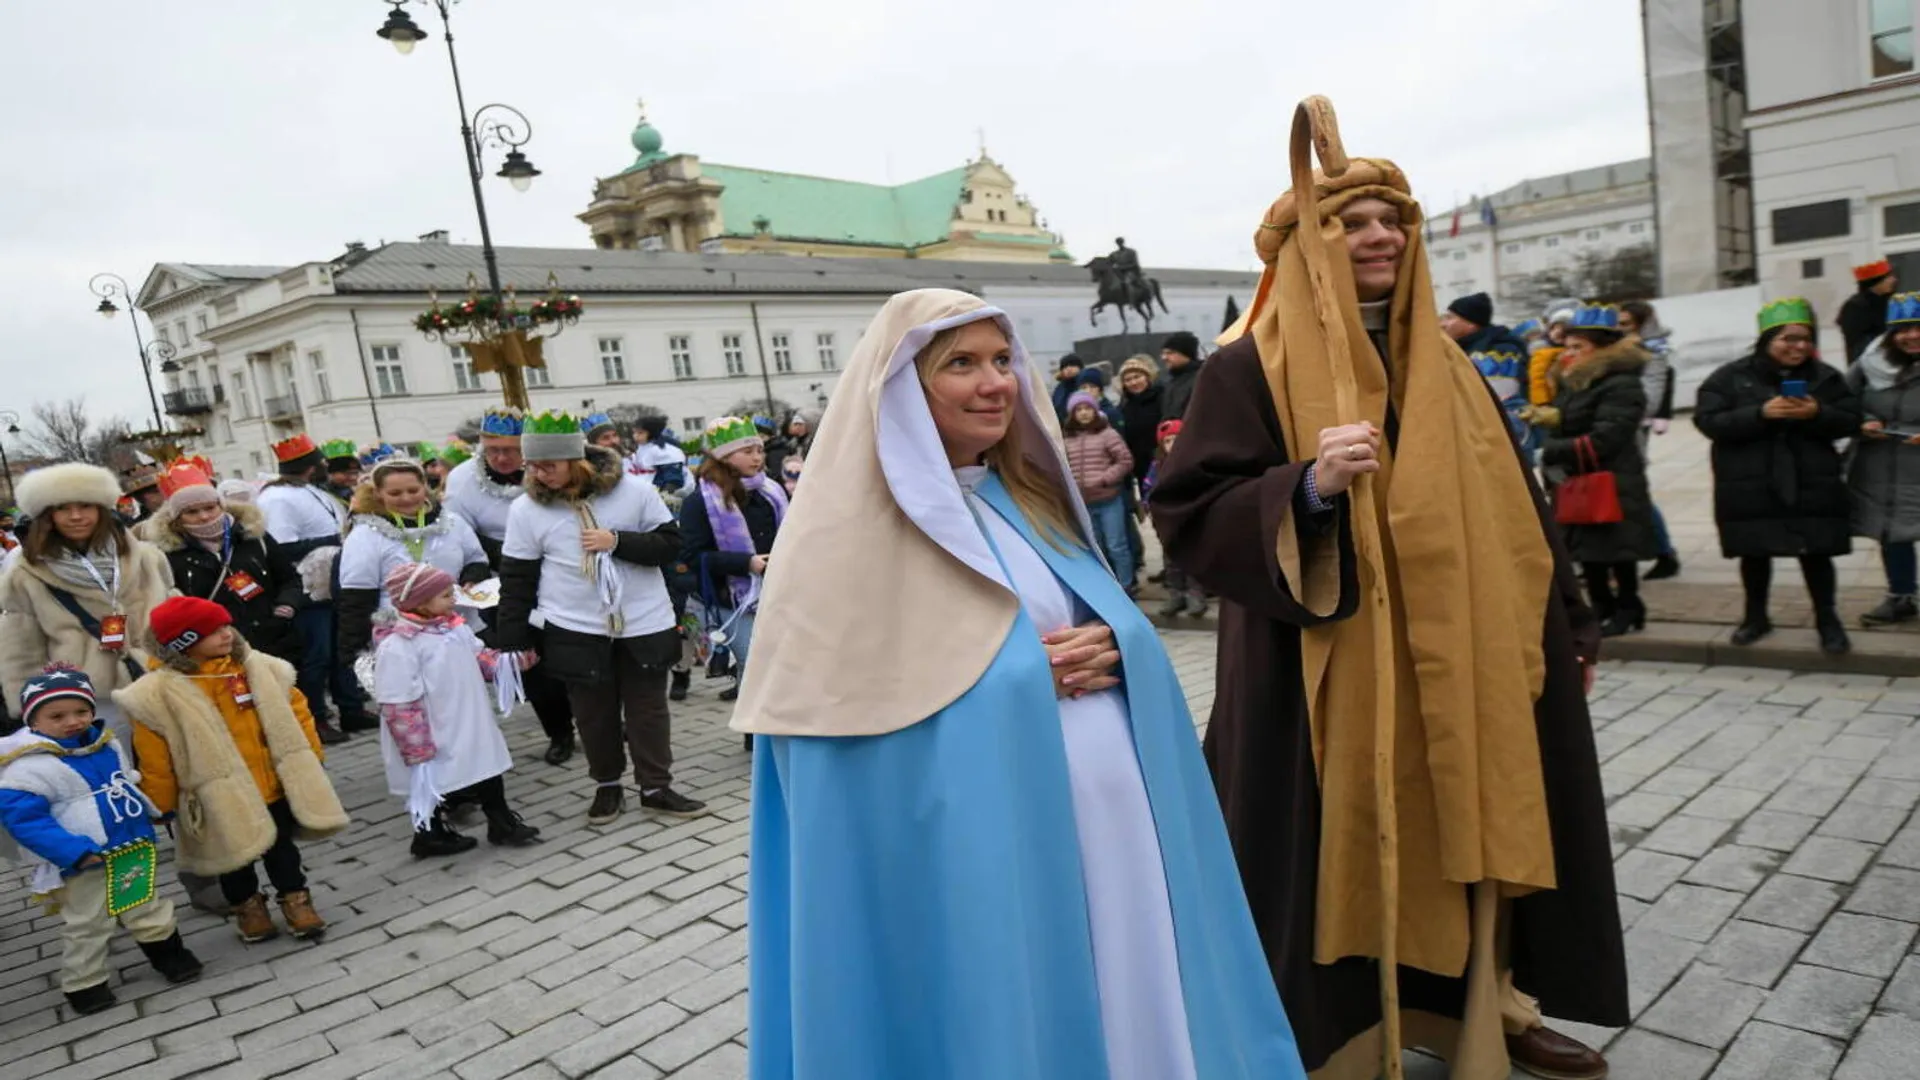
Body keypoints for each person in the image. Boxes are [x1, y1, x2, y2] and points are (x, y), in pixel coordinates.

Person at [1149, 104, 1625, 1080]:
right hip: (1322, 668)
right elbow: (1189, 514)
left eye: (1393, 220)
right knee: (1335, 841)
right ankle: (1338, 1041)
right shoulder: (1248, 369)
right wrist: (1307, 487)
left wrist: (1569, 619)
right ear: (1304, 247)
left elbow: (1517, 512)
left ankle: (1491, 1007)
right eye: (1349, 221)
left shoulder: (1447, 368)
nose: (1379, 236)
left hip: (1468, 651)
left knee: (1478, 814)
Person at [735, 288, 1306, 1080]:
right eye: (961, 364)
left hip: (1115, 835)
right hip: (981, 850)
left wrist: (1119, 646)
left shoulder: (1027, 499)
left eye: (1002, 360)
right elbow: (834, 728)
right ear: (902, 386)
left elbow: (1104, 621)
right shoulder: (840, 536)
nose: (995, 382)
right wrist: (1009, 677)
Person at [496, 412, 705, 826]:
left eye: (548, 465)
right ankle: (607, 785)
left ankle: (655, 787)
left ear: (575, 459)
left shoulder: (632, 492)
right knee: (593, 712)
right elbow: (518, 576)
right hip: (575, 624)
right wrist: (513, 639)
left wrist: (618, 541)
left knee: (647, 709)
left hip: (643, 618)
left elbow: (670, 545)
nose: (539, 473)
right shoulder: (526, 509)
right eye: (533, 465)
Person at [122, 596, 349, 943]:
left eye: (227, 625)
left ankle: (296, 898)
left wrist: (309, 755)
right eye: (213, 631)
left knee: (282, 849)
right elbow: (154, 755)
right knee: (233, 859)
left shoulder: (257, 668)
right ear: (184, 643)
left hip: (269, 783)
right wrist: (161, 802)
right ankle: (248, 906)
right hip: (216, 795)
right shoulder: (159, 692)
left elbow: (297, 710)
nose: (226, 634)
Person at [0, 664, 204, 1015]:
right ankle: (84, 984)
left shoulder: (105, 745)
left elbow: (126, 783)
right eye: (57, 715)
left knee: (146, 905)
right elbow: (25, 820)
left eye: (82, 711)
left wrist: (152, 810)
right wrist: (73, 853)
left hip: (128, 847)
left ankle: (170, 957)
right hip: (83, 861)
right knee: (89, 922)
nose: (73, 721)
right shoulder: (25, 768)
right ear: (33, 722)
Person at [1695, 298, 1863, 655]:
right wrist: (1760, 413)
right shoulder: (1730, 377)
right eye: (1788, 338)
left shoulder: (1825, 377)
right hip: (1750, 482)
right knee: (1754, 552)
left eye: (1805, 338)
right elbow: (1708, 422)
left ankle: (1828, 620)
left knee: (1816, 552)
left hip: (1811, 480)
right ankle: (1755, 617)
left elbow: (1850, 419)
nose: (1798, 346)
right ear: (1767, 339)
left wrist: (1818, 412)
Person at [0, 463, 175, 749]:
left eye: (85, 506)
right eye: (63, 508)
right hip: (86, 699)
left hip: (160, 680)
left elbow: (176, 616)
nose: (76, 516)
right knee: (114, 772)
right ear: (48, 516)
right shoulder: (25, 573)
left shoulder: (147, 557)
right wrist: (31, 706)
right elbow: (20, 646)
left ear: (102, 509)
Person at [373, 562, 541, 857]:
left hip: (468, 715)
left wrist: (510, 664)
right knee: (429, 779)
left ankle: (501, 820)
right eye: (444, 595)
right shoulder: (399, 645)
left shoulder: (452, 627)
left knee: (487, 764)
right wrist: (414, 742)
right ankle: (428, 832)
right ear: (420, 603)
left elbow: (479, 656)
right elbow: (397, 698)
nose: (453, 598)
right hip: (430, 726)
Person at [442, 407, 578, 766]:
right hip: (501, 578)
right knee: (528, 658)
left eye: (511, 449)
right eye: (492, 449)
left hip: (560, 568)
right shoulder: (461, 480)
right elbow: (462, 534)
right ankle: (559, 731)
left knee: (580, 646)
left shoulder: (551, 471)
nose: (501, 458)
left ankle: (601, 716)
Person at [1528, 304, 1661, 636]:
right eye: (1567, 347)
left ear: (1602, 349)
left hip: (1611, 477)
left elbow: (1608, 436)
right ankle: (1601, 606)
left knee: (1618, 551)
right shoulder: (1574, 381)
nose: (1568, 354)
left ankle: (1628, 607)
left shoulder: (1621, 384)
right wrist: (1551, 419)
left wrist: (1552, 450)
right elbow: (1570, 420)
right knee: (1589, 552)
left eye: (1578, 347)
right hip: (1578, 479)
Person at [257, 434, 376, 738]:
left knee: (342, 649)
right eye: (320, 461)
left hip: (333, 583)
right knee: (317, 656)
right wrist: (335, 541)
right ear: (310, 466)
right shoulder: (277, 498)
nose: (325, 464)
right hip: (309, 589)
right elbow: (281, 547)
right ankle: (316, 719)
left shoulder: (310, 490)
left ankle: (351, 709)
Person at [145, 457, 306, 669]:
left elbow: (289, 579)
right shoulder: (168, 555)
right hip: (215, 655)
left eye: (210, 508)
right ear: (177, 517)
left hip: (276, 643)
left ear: (221, 506)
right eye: (192, 512)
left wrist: (285, 607)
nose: (204, 517)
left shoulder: (254, 536)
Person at [336, 457, 490, 665]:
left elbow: (476, 560)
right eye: (395, 493)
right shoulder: (366, 534)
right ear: (378, 494)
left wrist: (472, 578)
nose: (406, 499)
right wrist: (354, 651)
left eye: (413, 490)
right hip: (400, 637)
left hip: (457, 627)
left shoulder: (452, 522)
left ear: (425, 487)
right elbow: (357, 596)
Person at [679, 417, 786, 704]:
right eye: (747, 451)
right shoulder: (700, 501)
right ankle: (757, 738)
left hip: (779, 591)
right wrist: (746, 563)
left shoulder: (770, 492)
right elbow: (692, 556)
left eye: (759, 450)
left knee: (781, 669)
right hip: (732, 600)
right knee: (757, 669)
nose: (757, 457)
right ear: (724, 456)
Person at [1849, 292, 1920, 626]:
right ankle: (1901, 596)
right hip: (1881, 462)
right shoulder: (1869, 364)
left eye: (1919, 326)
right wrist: (1862, 421)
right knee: (1892, 531)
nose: (1912, 335)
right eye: (1903, 329)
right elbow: (1841, 402)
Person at [1619, 300, 1682, 580]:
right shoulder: (1619, 349)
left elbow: (1651, 397)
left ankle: (1664, 552)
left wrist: (1614, 405)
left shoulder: (1653, 351)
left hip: (1631, 430)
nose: (1620, 330)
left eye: (1626, 325)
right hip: (1616, 427)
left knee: (1636, 494)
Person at [1062, 390, 1136, 588]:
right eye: (1079, 410)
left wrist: (1105, 478)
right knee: (1097, 548)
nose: (1084, 413)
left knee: (1116, 546)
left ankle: (1126, 586)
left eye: (1088, 408)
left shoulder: (1107, 433)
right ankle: (1107, 587)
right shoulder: (1068, 439)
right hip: (1084, 503)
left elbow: (1125, 461)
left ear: (1095, 410)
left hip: (1108, 500)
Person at [1443, 292, 1535, 447]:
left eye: (1450, 318)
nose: (1443, 323)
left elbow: (1503, 398)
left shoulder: (1501, 351)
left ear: (1471, 323)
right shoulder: (1460, 348)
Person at [1144, 420, 1207, 618]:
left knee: (1192, 558)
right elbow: (1148, 490)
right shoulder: (1157, 466)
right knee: (1171, 560)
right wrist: (1150, 505)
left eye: (1176, 439)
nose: (1172, 444)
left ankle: (1195, 595)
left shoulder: (1194, 463)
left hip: (1189, 520)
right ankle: (1176, 594)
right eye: (1168, 441)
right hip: (1166, 522)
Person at [1840, 259, 1899, 364]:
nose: (1893, 280)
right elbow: (1859, 344)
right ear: (1875, 283)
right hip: (1870, 364)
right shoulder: (1855, 307)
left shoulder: (1891, 301)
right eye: (1888, 277)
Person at [626, 415, 693, 506]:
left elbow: (673, 478)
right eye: (634, 433)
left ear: (652, 433)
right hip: (646, 494)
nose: (635, 436)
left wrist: (664, 495)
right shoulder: (643, 447)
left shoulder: (663, 451)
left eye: (640, 433)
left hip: (666, 497)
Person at [1160, 331, 1205, 419]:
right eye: (1163, 353)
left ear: (1187, 354)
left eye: (1170, 353)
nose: (1164, 357)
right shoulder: (1171, 382)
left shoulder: (1201, 379)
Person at [764, 412, 812, 481]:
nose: (799, 427)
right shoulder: (791, 443)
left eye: (801, 424)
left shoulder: (811, 441)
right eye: (796, 424)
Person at [321, 440, 363, 508]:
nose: (353, 477)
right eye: (346, 473)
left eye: (356, 472)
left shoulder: (360, 491)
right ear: (330, 473)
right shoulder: (323, 495)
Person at [1051, 353, 1085, 420]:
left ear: (1080, 368)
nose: (1069, 368)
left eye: (1072, 365)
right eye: (1065, 367)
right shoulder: (1059, 388)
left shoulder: (1085, 385)